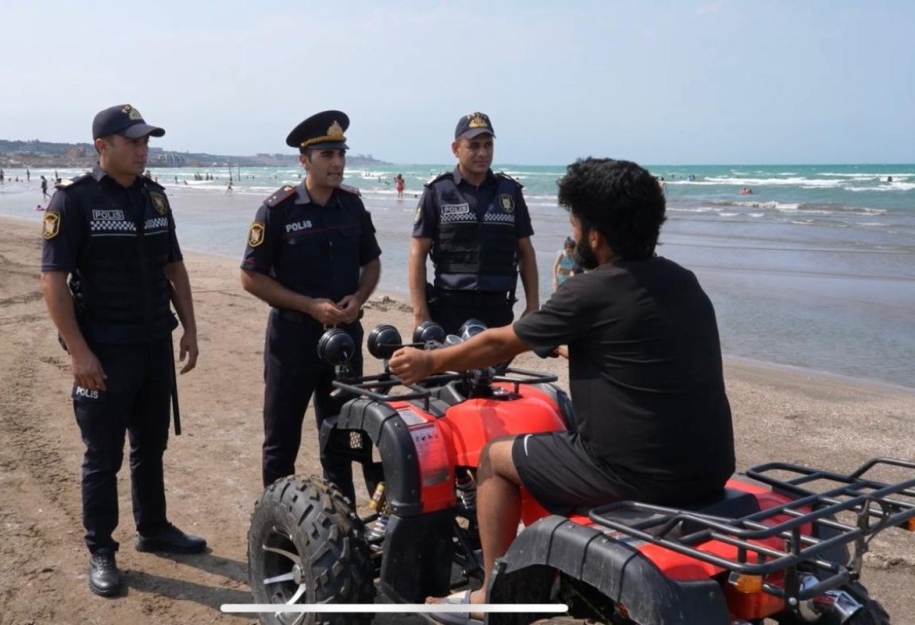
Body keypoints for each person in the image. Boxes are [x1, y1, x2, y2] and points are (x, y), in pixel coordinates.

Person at [389, 157, 735, 616]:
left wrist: (430, 360)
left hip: (633, 474)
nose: (571, 231)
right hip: (711, 467)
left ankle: (489, 594)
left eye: (575, 221)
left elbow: (499, 342)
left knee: (495, 456)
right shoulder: (682, 280)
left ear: (596, 237)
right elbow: (639, 340)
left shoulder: (589, 291)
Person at [39, 104, 205, 598]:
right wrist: (79, 353)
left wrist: (190, 330)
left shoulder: (155, 197)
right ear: (102, 146)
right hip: (105, 351)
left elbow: (174, 268)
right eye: (132, 141)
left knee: (151, 446)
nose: (142, 149)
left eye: (145, 141)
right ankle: (101, 550)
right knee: (103, 456)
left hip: (154, 343)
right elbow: (53, 282)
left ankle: (153, 528)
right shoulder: (74, 200)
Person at [240, 110, 381, 507]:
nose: (337, 163)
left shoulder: (352, 205)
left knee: (342, 437)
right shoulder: (278, 210)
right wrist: (309, 306)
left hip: (344, 341)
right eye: (327, 155)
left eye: (341, 154)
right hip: (293, 341)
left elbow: (372, 262)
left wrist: (359, 298)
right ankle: (277, 522)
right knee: (281, 440)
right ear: (304, 160)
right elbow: (250, 277)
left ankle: (344, 518)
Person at [408, 111, 539, 335]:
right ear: (455, 149)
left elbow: (526, 251)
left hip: (498, 309)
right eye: (474, 146)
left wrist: (533, 306)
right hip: (449, 308)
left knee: (497, 361)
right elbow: (417, 253)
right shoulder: (438, 191)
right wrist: (420, 313)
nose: (483, 153)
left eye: (488, 145)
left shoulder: (510, 192)